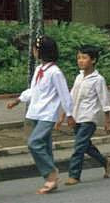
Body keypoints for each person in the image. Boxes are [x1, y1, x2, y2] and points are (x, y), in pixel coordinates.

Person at [6, 35, 74, 194]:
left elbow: (64, 94)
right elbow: (34, 90)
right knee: (45, 146)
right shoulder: (39, 70)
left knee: (34, 143)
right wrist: (18, 100)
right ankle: (51, 181)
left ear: (41, 51)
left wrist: (69, 114)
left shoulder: (55, 72)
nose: (33, 51)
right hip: (35, 113)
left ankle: (51, 173)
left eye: (34, 49)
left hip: (47, 115)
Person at [60, 46, 110, 185]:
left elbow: (104, 100)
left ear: (93, 60)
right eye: (79, 58)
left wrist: (108, 120)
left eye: (84, 58)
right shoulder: (79, 77)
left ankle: (74, 175)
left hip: (89, 118)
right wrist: (64, 115)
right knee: (86, 146)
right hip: (76, 116)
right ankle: (105, 161)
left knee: (79, 147)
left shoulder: (98, 80)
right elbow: (71, 97)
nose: (80, 61)